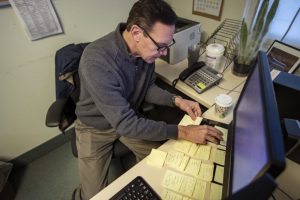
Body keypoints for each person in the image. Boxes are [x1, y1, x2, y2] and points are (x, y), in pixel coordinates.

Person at [73, 0, 223, 199]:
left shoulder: (145, 54)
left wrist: (177, 100)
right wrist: (184, 131)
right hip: (95, 127)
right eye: (160, 46)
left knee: (162, 161)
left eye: (167, 45)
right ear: (136, 33)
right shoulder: (97, 61)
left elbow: (147, 87)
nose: (163, 53)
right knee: (94, 196)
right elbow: (126, 124)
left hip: (127, 115)